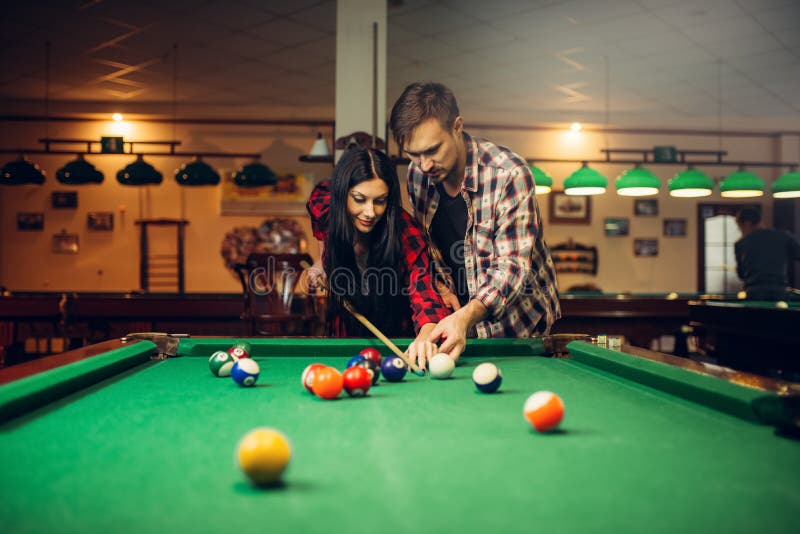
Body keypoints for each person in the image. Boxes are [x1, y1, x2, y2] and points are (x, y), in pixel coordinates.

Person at [389, 82, 561, 366]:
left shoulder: (509, 174)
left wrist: (465, 316)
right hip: (458, 327)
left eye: (432, 150)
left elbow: (512, 267)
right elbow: (431, 249)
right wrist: (442, 289)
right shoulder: (417, 176)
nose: (424, 165)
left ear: (457, 126)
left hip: (520, 328)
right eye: (412, 154)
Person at [305, 147, 449, 362]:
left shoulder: (405, 233)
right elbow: (322, 226)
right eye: (359, 199)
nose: (370, 212)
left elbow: (424, 291)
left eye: (380, 201)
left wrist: (427, 335)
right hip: (345, 325)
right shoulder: (325, 207)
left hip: (395, 331)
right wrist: (322, 264)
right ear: (342, 195)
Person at [734, 206, 800, 301]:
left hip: (754, 292)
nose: (741, 232)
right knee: (780, 316)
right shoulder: (783, 236)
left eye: (740, 228)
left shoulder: (741, 243)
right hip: (779, 291)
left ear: (746, 223)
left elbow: (741, 274)